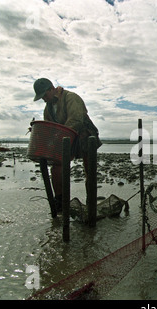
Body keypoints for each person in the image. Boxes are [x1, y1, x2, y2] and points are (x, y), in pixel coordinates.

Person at [33, 78, 102, 211]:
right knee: (57, 165)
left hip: (85, 134)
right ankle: (60, 202)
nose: (44, 99)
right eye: (41, 98)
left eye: (45, 95)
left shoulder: (71, 98)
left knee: (89, 170)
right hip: (64, 136)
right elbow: (49, 126)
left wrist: (59, 136)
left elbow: (76, 120)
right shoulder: (48, 109)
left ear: (51, 89)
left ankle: (91, 203)